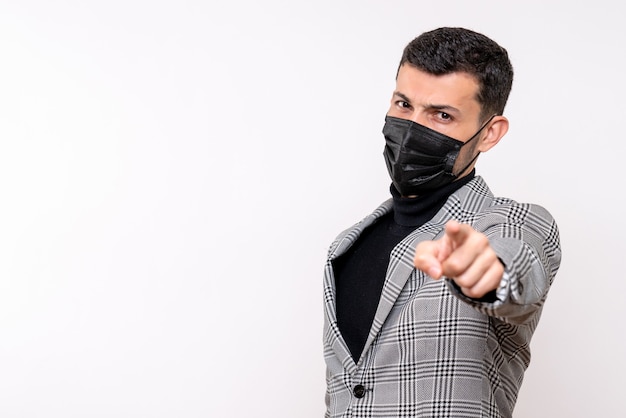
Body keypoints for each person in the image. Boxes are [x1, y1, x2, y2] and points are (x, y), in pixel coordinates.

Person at [322, 27, 562, 418]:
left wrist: (485, 276)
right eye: (404, 104)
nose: (413, 126)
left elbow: (516, 275)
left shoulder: (511, 223)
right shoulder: (346, 246)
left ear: (489, 134)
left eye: (442, 115)